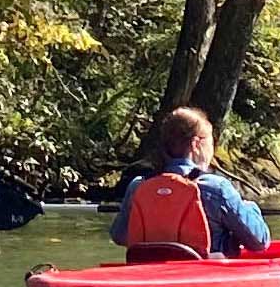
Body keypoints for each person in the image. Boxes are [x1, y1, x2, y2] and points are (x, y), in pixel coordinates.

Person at [107, 106, 270, 258]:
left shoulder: (138, 186)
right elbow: (258, 242)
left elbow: (120, 236)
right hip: (206, 278)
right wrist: (249, 208)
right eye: (211, 142)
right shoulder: (216, 188)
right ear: (196, 144)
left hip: (151, 274)